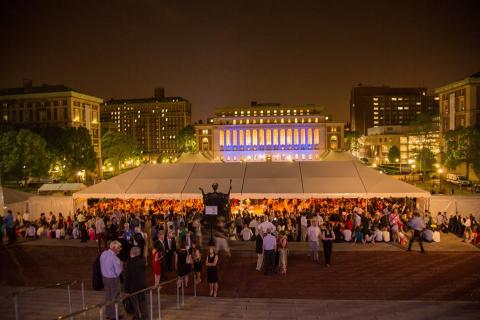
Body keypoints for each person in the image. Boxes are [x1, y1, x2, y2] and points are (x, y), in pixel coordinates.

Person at [100, 240, 123, 320]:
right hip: (113, 279)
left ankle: (109, 314)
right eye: (119, 248)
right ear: (114, 248)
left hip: (105, 278)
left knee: (108, 296)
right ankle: (114, 315)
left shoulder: (103, 254)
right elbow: (118, 272)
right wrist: (121, 265)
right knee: (115, 297)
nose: (120, 249)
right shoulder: (115, 258)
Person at [124, 246, 147, 320]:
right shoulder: (142, 261)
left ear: (132, 253)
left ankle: (137, 317)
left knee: (135, 304)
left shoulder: (129, 263)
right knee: (143, 303)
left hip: (133, 287)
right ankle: (145, 317)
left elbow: (127, 278)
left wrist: (126, 290)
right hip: (142, 285)